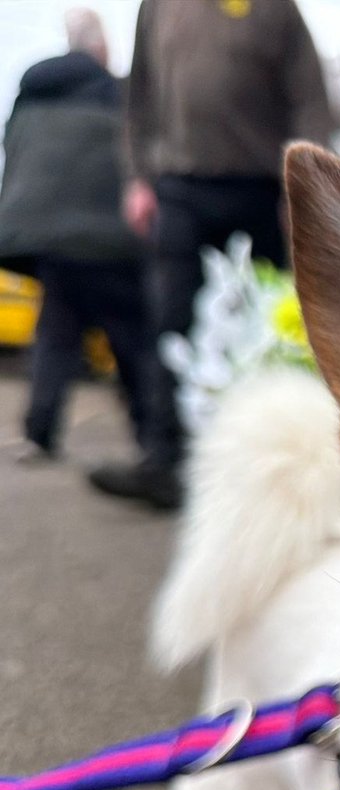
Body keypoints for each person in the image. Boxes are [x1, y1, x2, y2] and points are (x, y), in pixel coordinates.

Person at [87, 0, 335, 511]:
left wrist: (308, 191)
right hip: (179, 188)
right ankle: (164, 464)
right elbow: (140, 99)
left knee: (259, 328)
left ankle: (257, 468)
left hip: (261, 190)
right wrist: (137, 177)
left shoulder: (277, 8)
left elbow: (309, 96)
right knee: (170, 323)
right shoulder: (156, 6)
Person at [0, 9, 151, 464]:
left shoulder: (34, 91)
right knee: (131, 338)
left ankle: (40, 434)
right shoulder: (116, 93)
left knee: (56, 334)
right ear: (100, 46)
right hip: (108, 240)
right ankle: (155, 440)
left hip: (51, 241)